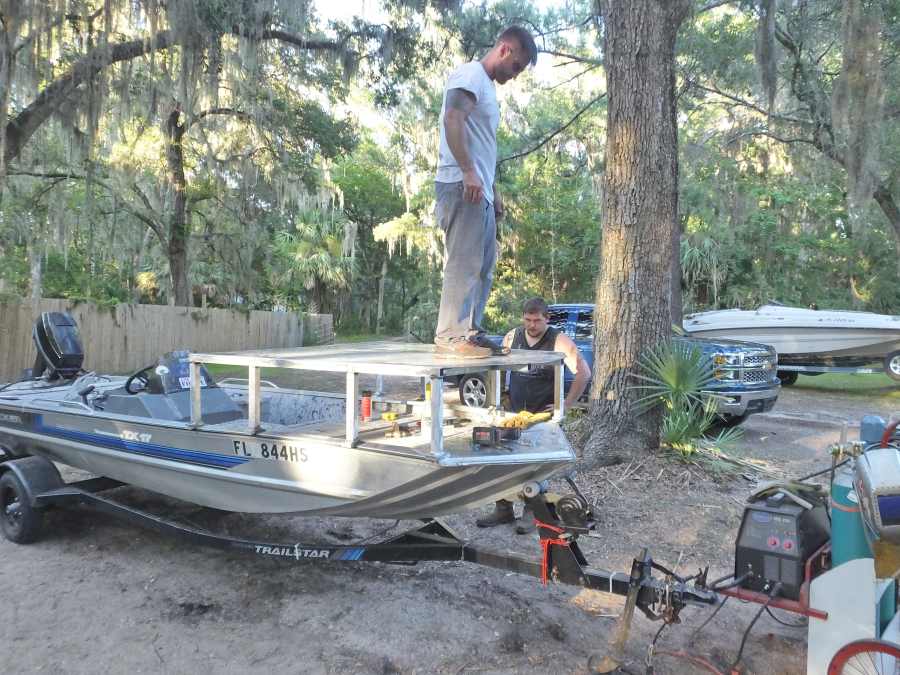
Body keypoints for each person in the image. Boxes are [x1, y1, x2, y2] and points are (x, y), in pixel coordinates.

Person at [433, 26, 538, 358]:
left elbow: (482, 146)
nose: (515, 74)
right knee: (464, 262)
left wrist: (492, 191)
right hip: (460, 184)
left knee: (484, 266)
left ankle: (471, 334)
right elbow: (453, 118)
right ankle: (451, 337)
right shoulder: (471, 75)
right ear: (504, 49)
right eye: (517, 66)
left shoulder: (488, 90)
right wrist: (467, 171)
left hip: (480, 192)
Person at [476, 297, 591, 532]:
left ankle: (532, 513)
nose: (531, 325)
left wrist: (566, 405)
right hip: (513, 413)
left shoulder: (558, 340)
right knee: (502, 461)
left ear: (546, 319)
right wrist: (500, 398)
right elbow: (498, 366)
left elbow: (584, 373)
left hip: (541, 416)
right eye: (527, 320)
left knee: (534, 467)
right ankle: (503, 510)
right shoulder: (512, 337)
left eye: (537, 321)